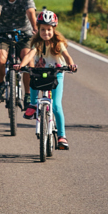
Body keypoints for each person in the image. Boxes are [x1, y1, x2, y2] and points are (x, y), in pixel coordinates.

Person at [15, 10, 77, 150]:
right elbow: (30, 55)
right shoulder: (36, 43)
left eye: (49, 30)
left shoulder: (58, 43)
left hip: (56, 74)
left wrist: (71, 65)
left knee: (56, 106)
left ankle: (62, 136)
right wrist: (21, 65)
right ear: (38, 30)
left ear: (54, 29)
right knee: (32, 76)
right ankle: (32, 104)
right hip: (41, 72)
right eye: (43, 30)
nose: (46, 33)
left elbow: (66, 56)